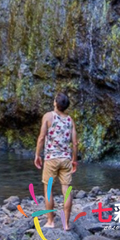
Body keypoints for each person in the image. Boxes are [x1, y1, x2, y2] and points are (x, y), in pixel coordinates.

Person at [34, 91, 78, 230]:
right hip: (65, 159)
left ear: (55, 103)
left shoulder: (48, 116)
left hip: (51, 159)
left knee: (48, 189)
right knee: (67, 189)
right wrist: (74, 160)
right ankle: (66, 223)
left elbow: (41, 137)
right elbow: (75, 143)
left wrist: (37, 155)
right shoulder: (70, 120)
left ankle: (50, 222)